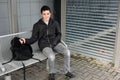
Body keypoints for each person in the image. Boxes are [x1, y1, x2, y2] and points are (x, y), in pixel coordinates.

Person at [19, 5, 74, 80]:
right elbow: (33, 38)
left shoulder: (54, 23)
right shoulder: (37, 25)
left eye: (48, 14)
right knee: (52, 56)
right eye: (44, 14)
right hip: (44, 45)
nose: (46, 16)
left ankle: (67, 72)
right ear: (41, 14)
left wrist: (54, 43)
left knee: (67, 52)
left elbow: (59, 34)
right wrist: (25, 40)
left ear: (50, 14)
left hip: (55, 43)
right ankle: (51, 73)